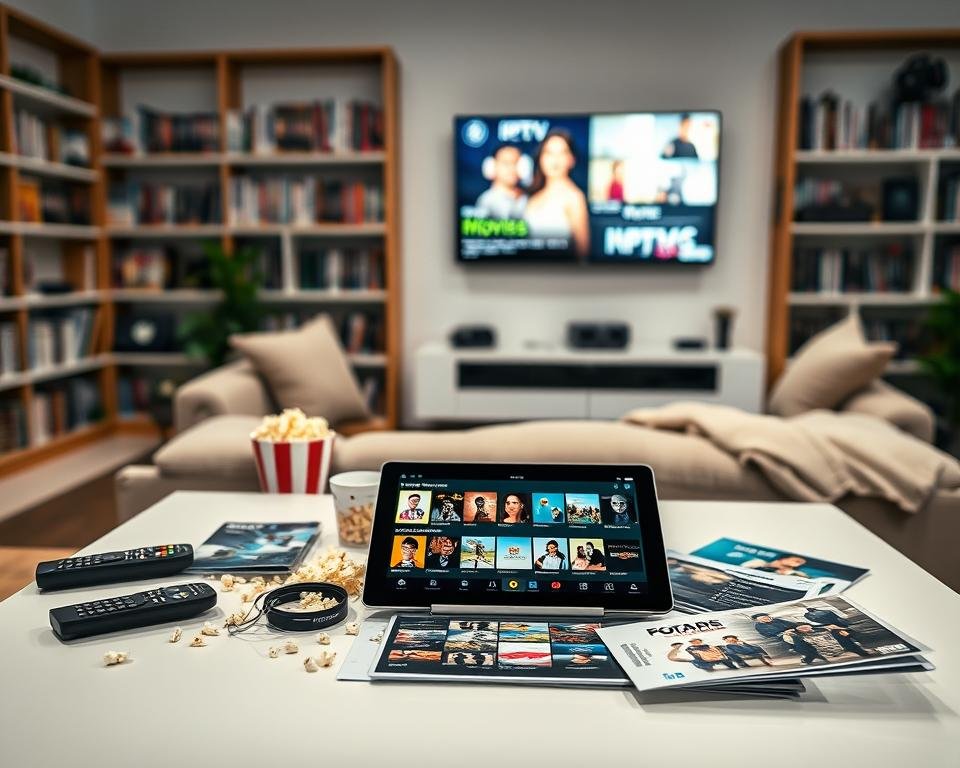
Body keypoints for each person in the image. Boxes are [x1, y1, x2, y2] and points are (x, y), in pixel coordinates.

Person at [524, 128, 589, 258]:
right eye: (549, 153)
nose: (555, 160)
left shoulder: (574, 197)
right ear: (541, 158)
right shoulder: (533, 195)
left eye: (562, 153)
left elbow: (583, 254)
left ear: (571, 159)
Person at [474, 144, 528, 219]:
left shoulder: (528, 198)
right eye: (505, 163)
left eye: (516, 162)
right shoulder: (486, 201)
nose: (511, 168)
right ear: (492, 166)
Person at [667, 639, 738, 671]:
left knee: (729, 663)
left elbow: (717, 650)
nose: (695, 642)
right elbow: (672, 657)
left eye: (697, 641)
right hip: (702, 660)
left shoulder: (708, 646)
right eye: (693, 642)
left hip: (717, 658)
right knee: (707, 668)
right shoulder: (688, 648)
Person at [742, 554, 811, 578]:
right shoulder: (758, 562)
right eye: (797, 561)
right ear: (783, 558)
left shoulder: (796, 573)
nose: (799, 563)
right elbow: (742, 569)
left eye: (802, 563)